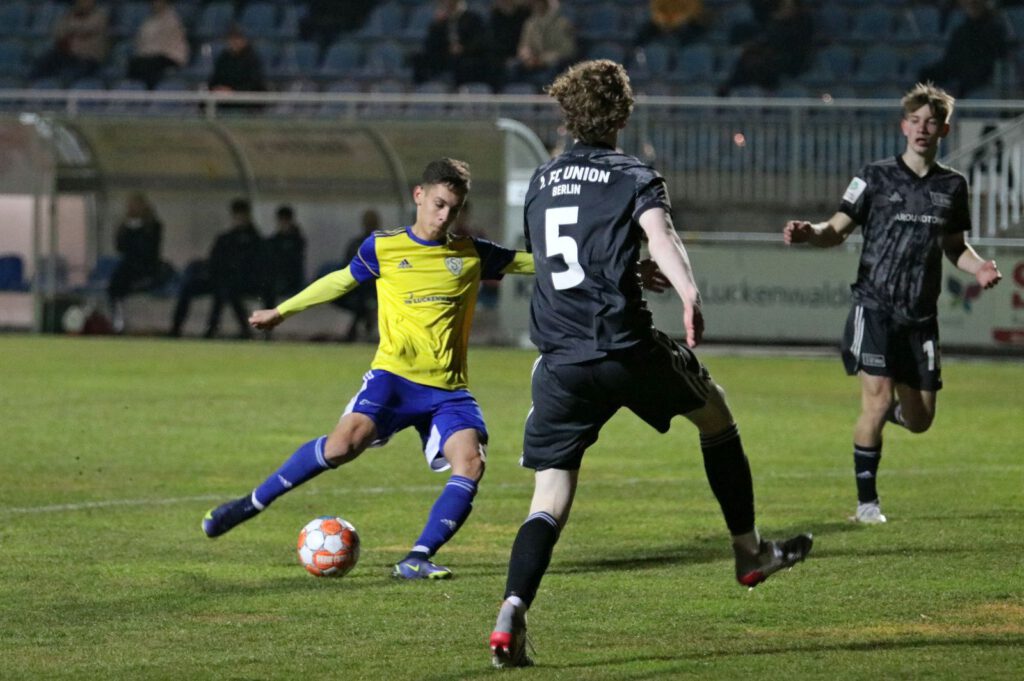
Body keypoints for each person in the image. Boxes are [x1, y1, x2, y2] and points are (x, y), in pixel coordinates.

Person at [489, 60, 813, 668]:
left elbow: (561, 260)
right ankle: (748, 552)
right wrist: (688, 293)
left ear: (567, 113)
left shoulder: (541, 179)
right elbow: (662, 236)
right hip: (624, 347)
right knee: (716, 418)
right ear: (622, 115)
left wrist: (621, 268)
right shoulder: (632, 173)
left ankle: (512, 609)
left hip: (560, 359)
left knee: (549, 496)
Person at [200, 159, 536, 580]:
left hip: (449, 389)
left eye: (454, 207)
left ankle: (416, 557)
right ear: (418, 195)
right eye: (438, 203)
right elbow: (341, 280)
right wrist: (282, 312)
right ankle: (250, 503)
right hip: (393, 379)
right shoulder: (384, 247)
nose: (444, 215)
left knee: (471, 461)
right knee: (341, 447)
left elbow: (537, 263)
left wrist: (612, 269)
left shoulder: (472, 254)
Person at [782, 83, 1002, 525]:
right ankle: (866, 505)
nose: (922, 129)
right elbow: (838, 229)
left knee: (920, 420)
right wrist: (811, 232)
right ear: (903, 126)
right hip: (874, 306)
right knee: (876, 403)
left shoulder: (951, 185)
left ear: (944, 129)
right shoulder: (875, 176)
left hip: (920, 318)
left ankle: (894, 416)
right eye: (915, 121)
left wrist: (977, 268)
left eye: (931, 122)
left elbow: (955, 246)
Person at [170, 198, 265, 338]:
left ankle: (214, 330)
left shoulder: (255, 240)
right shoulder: (225, 238)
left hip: (241, 281)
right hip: (219, 278)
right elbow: (214, 260)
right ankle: (175, 329)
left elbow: (254, 265)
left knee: (225, 291)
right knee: (189, 287)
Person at [717, 0, 812, 96]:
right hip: (772, 56)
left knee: (756, 62)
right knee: (749, 57)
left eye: (788, 7)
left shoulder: (801, 24)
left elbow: (790, 45)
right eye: (784, 6)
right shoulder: (774, 22)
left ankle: (733, 86)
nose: (785, 9)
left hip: (792, 59)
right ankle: (736, 87)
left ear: (796, 9)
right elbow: (767, 40)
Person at [107, 192, 172, 333]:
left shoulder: (154, 226)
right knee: (115, 285)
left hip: (147, 267)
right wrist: (126, 229)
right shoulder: (125, 226)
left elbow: (147, 249)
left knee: (131, 282)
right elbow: (121, 248)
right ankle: (118, 320)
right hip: (129, 267)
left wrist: (135, 231)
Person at [918, 0, 1007, 99]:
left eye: (974, 2)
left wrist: (960, 87)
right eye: (967, 3)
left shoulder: (995, 30)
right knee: (925, 79)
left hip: (979, 83)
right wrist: (926, 76)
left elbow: (990, 64)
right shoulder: (960, 32)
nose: (971, 4)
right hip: (959, 81)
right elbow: (950, 63)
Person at [411, 0, 493, 88]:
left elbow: (480, 41)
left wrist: (462, 48)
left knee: (465, 64)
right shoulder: (441, 22)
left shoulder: (473, 18)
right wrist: (438, 25)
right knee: (418, 58)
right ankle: (421, 89)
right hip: (445, 55)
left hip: (467, 56)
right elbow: (431, 45)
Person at [30, 0, 109, 83]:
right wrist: (75, 29)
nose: (82, 3)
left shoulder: (100, 15)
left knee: (72, 75)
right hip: (67, 55)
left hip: (87, 58)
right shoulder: (69, 14)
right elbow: (57, 31)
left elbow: (89, 28)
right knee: (43, 62)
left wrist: (70, 28)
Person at [333, 209, 381, 343]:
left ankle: (353, 333)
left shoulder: (384, 244)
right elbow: (347, 269)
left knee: (367, 299)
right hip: (357, 288)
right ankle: (365, 329)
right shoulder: (356, 244)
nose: (369, 224)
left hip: (376, 290)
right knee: (363, 299)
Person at [508, 0, 576, 90]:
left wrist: (542, 60)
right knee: (512, 67)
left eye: (538, 2)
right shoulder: (530, 23)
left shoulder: (561, 23)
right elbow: (524, 45)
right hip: (531, 63)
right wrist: (526, 56)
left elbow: (567, 50)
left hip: (550, 64)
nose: (535, 5)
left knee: (548, 74)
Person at [126, 0, 189, 90]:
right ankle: (135, 93)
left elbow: (167, 44)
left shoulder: (173, 20)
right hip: (151, 56)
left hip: (170, 56)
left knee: (149, 65)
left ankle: (151, 92)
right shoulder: (149, 21)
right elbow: (141, 41)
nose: (155, 4)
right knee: (135, 64)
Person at [208, 24, 267, 110]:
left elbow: (254, 84)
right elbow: (215, 79)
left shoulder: (252, 59)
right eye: (231, 39)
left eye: (237, 38)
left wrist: (232, 91)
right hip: (224, 101)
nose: (234, 42)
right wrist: (218, 89)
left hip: (248, 103)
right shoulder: (224, 58)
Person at [263, 205, 307, 308]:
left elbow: (292, 263)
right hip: (277, 278)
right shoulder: (274, 240)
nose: (283, 224)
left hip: (290, 279)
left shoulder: (296, 240)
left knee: (270, 288)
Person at [633, 0, 709, 49]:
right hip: (664, 21)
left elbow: (691, 12)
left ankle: (683, 48)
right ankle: (635, 49)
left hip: (684, 21)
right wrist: (663, 20)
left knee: (697, 25)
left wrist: (675, 20)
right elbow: (655, 10)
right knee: (647, 29)